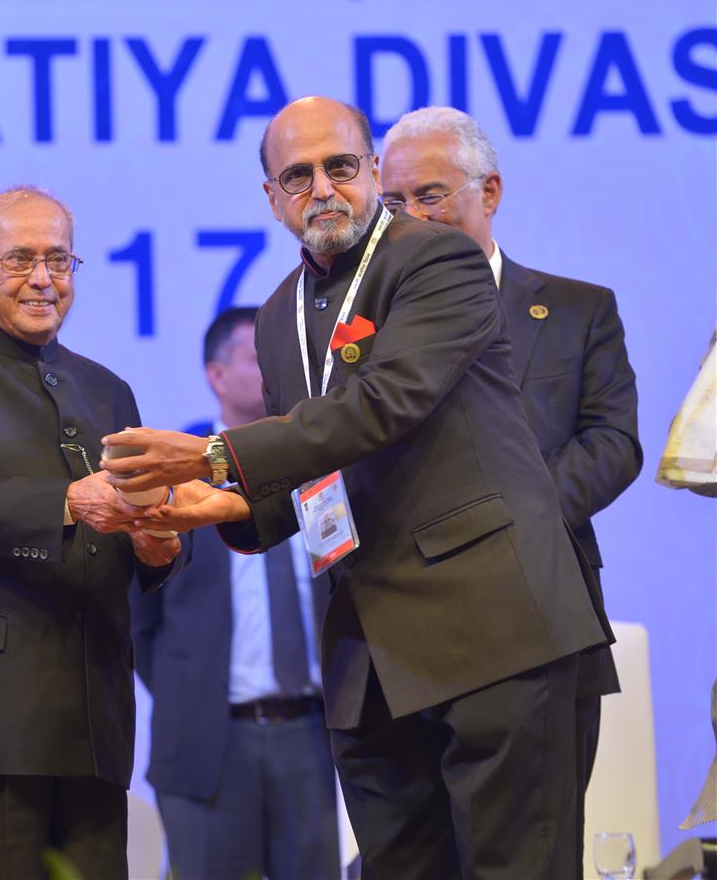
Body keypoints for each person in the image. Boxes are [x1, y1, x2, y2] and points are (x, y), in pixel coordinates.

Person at [101, 96, 613, 879]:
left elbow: (382, 407)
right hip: (368, 661)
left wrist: (212, 457)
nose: (323, 189)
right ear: (270, 198)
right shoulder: (277, 314)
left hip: (490, 630)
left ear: (373, 172)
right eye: (297, 176)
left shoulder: (435, 259)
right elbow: (308, 472)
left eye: (340, 167)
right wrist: (224, 506)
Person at [0, 185, 184, 879]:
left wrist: (159, 546)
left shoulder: (106, 389)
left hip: (93, 716)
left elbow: (138, 519)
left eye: (59, 260)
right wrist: (68, 502)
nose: (42, 279)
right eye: (20, 259)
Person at [380, 105, 643, 873]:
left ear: (489, 192)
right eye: (393, 204)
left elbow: (612, 442)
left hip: (541, 614)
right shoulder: (362, 324)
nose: (411, 219)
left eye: (430, 196)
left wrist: (503, 526)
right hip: (406, 632)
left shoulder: (575, 309)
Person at [130, 307, 339, 880]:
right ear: (215, 375)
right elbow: (139, 621)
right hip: (206, 742)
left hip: (310, 737)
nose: (267, 373)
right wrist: (187, 689)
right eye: (253, 359)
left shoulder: (319, 473)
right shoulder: (172, 483)